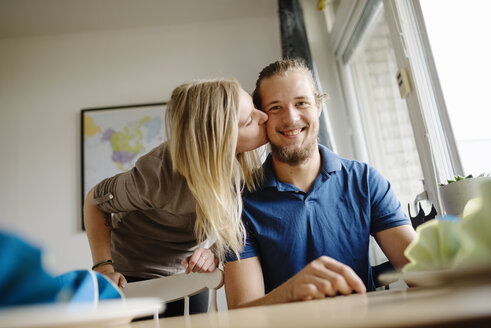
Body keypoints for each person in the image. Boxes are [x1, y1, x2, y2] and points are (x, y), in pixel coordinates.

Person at [224, 59, 417, 309]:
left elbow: (421, 272)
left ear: (318, 106)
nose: (291, 118)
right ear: (262, 118)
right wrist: (291, 291)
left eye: (301, 103)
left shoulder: (365, 181)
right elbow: (242, 315)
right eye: (275, 107)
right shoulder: (240, 204)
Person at [84, 78, 268, 317]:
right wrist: (103, 266)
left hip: (187, 273)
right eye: (249, 121)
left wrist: (212, 250)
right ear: (218, 142)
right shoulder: (158, 174)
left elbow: (234, 217)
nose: (264, 116)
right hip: (131, 275)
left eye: (254, 107)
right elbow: (94, 201)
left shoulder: (253, 158)